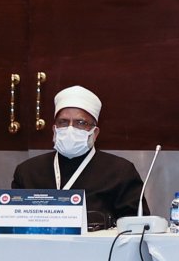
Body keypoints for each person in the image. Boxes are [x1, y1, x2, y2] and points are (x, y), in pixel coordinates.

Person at [11, 85, 143, 230]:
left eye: (81, 123)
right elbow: (12, 225)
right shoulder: (27, 171)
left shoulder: (121, 172)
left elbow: (137, 229)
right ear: (54, 129)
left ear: (95, 132)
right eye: (63, 122)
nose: (70, 129)